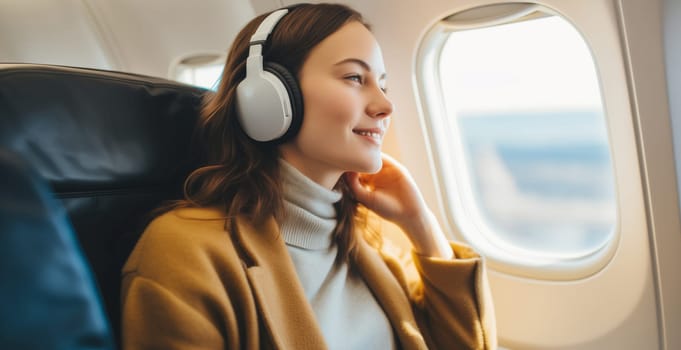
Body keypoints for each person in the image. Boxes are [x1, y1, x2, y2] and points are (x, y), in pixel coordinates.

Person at [121, 3, 496, 349]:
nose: (385, 105)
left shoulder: (367, 237)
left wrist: (421, 225)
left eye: (382, 83)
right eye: (354, 77)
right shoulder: (184, 252)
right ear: (268, 97)